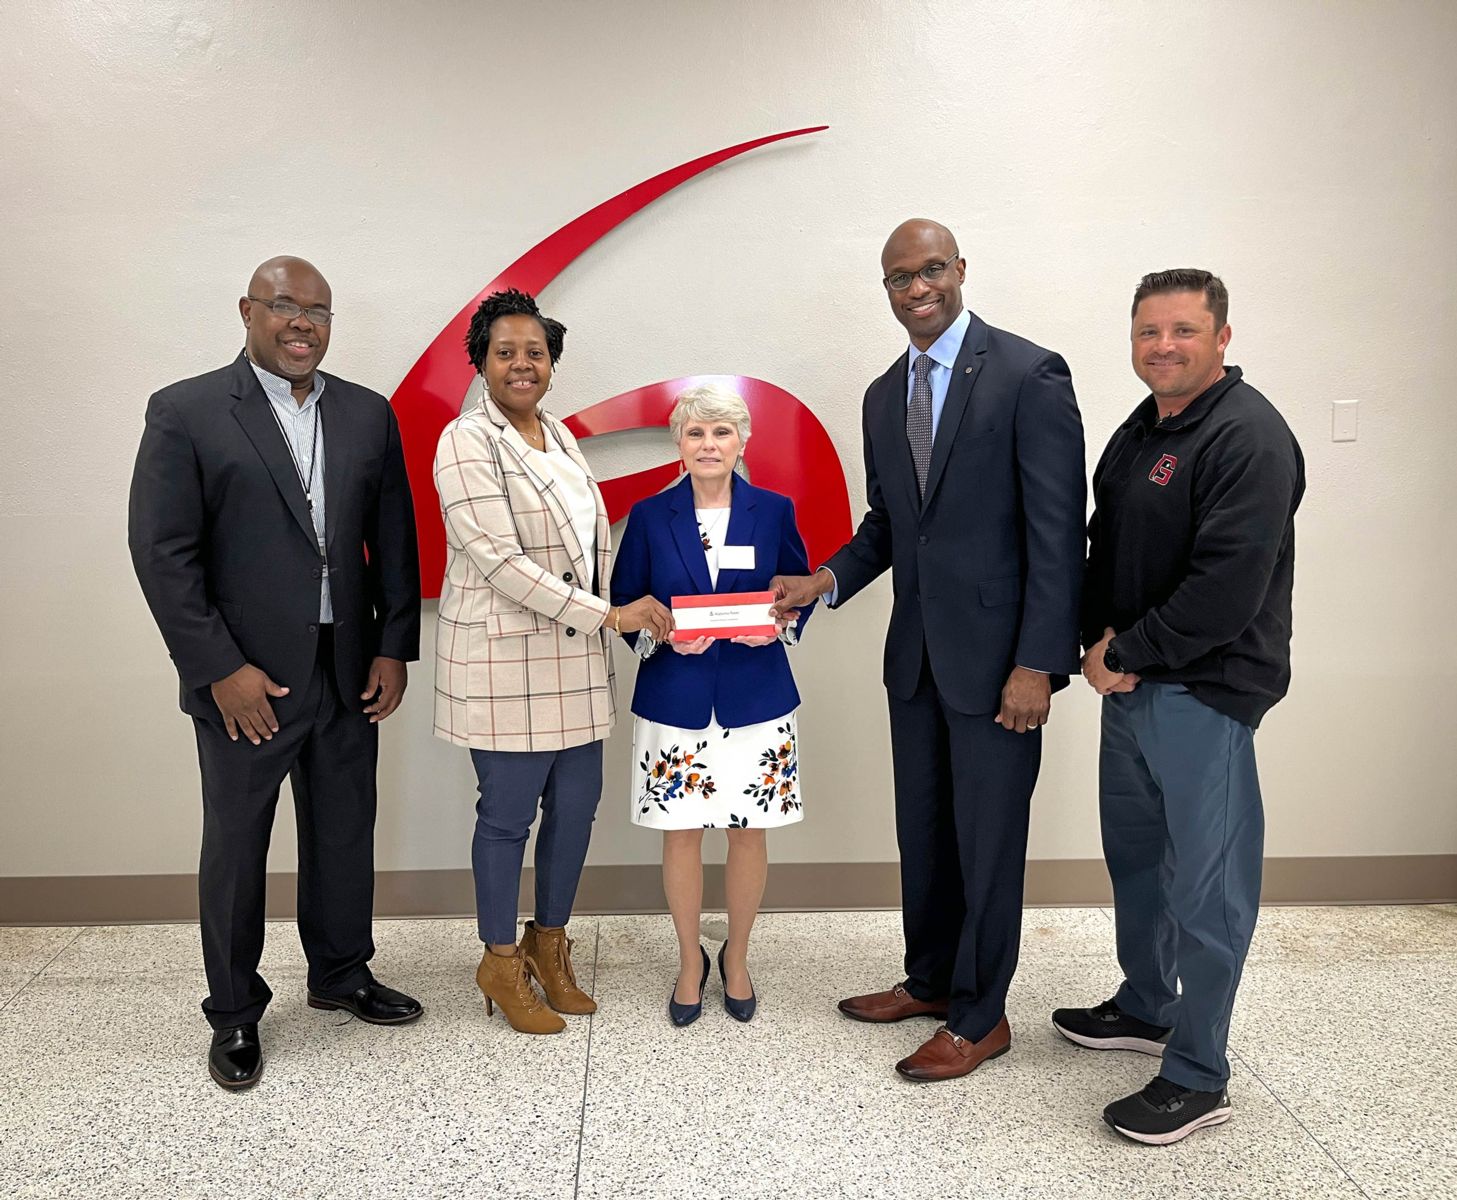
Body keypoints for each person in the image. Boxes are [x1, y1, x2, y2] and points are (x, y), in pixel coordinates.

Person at [772, 220, 1085, 1081]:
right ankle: (934, 981)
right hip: (913, 660)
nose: (917, 288)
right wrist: (824, 579)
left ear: (960, 270)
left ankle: (982, 1018)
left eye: (931, 270)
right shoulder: (883, 394)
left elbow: (1057, 535)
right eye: (899, 278)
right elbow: (889, 525)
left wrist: (1037, 663)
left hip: (997, 668)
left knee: (988, 843)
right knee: (928, 834)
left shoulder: (1028, 374)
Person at [128, 256, 423, 1091]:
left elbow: (393, 541)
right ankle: (233, 1013)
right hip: (245, 682)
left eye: (319, 311)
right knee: (237, 846)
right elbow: (163, 554)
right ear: (247, 312)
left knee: (342, 831)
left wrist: (391, 643)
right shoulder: (186, 411)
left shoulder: (367, 414)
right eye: (285, 306)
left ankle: (339, 974)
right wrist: (221, 668)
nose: (303, 324)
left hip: (345, 668)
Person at [1053, 269, 1304, 1145]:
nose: (1163, 346)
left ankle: (1197, 1073)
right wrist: (1094, 647)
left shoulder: (1249, 436)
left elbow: (1226, 588)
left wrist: (1123, 652)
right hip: (1131, 690)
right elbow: (1103, 543)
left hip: (1202, 691)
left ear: (1222, 337)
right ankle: (1145, 1004)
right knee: (1138, 865)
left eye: (1184, 330)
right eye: (1148, 332)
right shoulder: (1143, 427)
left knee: (1208, 890)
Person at [432, 289, 672, 1035]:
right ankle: (499, 961)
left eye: (534, 351)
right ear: (481, 361)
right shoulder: (466, 441)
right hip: (504, 665)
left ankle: (549, 945)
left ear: (551, 362)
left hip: (571, 662)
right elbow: (500, 561)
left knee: (574, 809)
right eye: (505, 351)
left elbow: (581, 552)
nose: (521, 364)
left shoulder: (559, 437)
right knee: (506, 819)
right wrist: (610, 615)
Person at [610, 384, 814, 1026]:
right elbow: (624, 609)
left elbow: (796, 594)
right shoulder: (649, 516)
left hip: (756, 696)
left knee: (748, 833)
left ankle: (739, 957)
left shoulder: (774, 510)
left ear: (742, 442)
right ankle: (688, 961)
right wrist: (662, 631)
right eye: (696, 433)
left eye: (722, 433)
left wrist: (775, 623)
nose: (709, 445)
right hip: (677, 697)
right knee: (681, 834)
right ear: (679, 443)